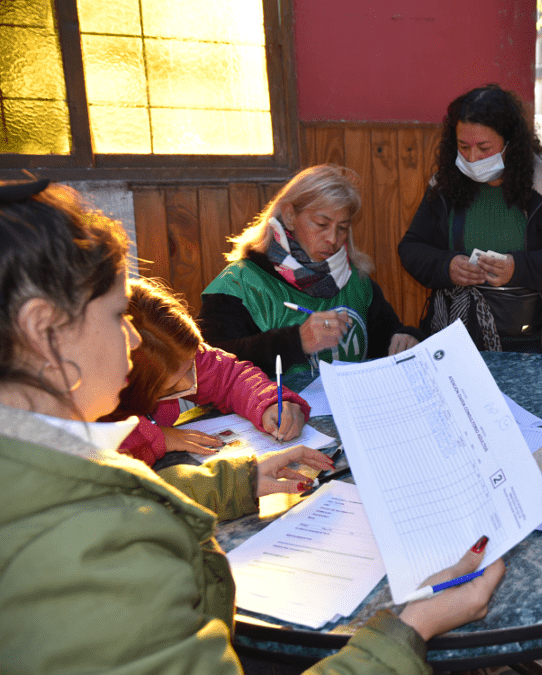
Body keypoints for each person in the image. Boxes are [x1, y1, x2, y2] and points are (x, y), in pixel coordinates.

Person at [0, 176, 506, 675]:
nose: (133, 340)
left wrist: (238, 479)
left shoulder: (41, 469)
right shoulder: (92, 552)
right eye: (116, 317)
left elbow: (218, 370)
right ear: (43, 330)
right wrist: (408, 630)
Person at [398, 84, 542, 357]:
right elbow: (411, 248)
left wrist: (519, 268)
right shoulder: (444, 186)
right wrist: (446, 266)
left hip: (539, 346)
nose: (472, 158)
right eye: (463, 146)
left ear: (510, 145)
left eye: (484, 147)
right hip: (459, 343)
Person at [199, 163, 422, 376]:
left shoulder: (356, 280)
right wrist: (296, 341)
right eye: (321, 224)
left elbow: (388, 338)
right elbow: (210, 366)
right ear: (289, 216)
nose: (333, 239)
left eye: (342, 228)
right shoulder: (238, 284)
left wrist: (406, 337)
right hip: (273, 414)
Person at [100, 277, 310, 467]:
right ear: (127, 385)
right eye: (172, 387)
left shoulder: (172, 350)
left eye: (191, 365)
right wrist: (154, 438)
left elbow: (227, 377)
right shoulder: (93, 396)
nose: (191, 381)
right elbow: (98, 453)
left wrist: (268, 403)